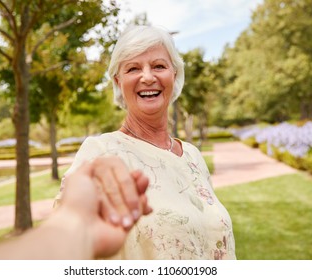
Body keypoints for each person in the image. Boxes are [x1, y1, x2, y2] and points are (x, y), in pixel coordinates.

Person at [58, 25, 236, 260]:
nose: (148, 77)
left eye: (159, 66)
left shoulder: (192, 156)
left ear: (174, 74)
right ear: (118, 81)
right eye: (133, 68)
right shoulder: (101, 153)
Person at [0, 159, 152, 260]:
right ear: (117, 82)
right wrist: (78, 221)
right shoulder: (96, 150)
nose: (148, 79)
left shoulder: (185, 150)